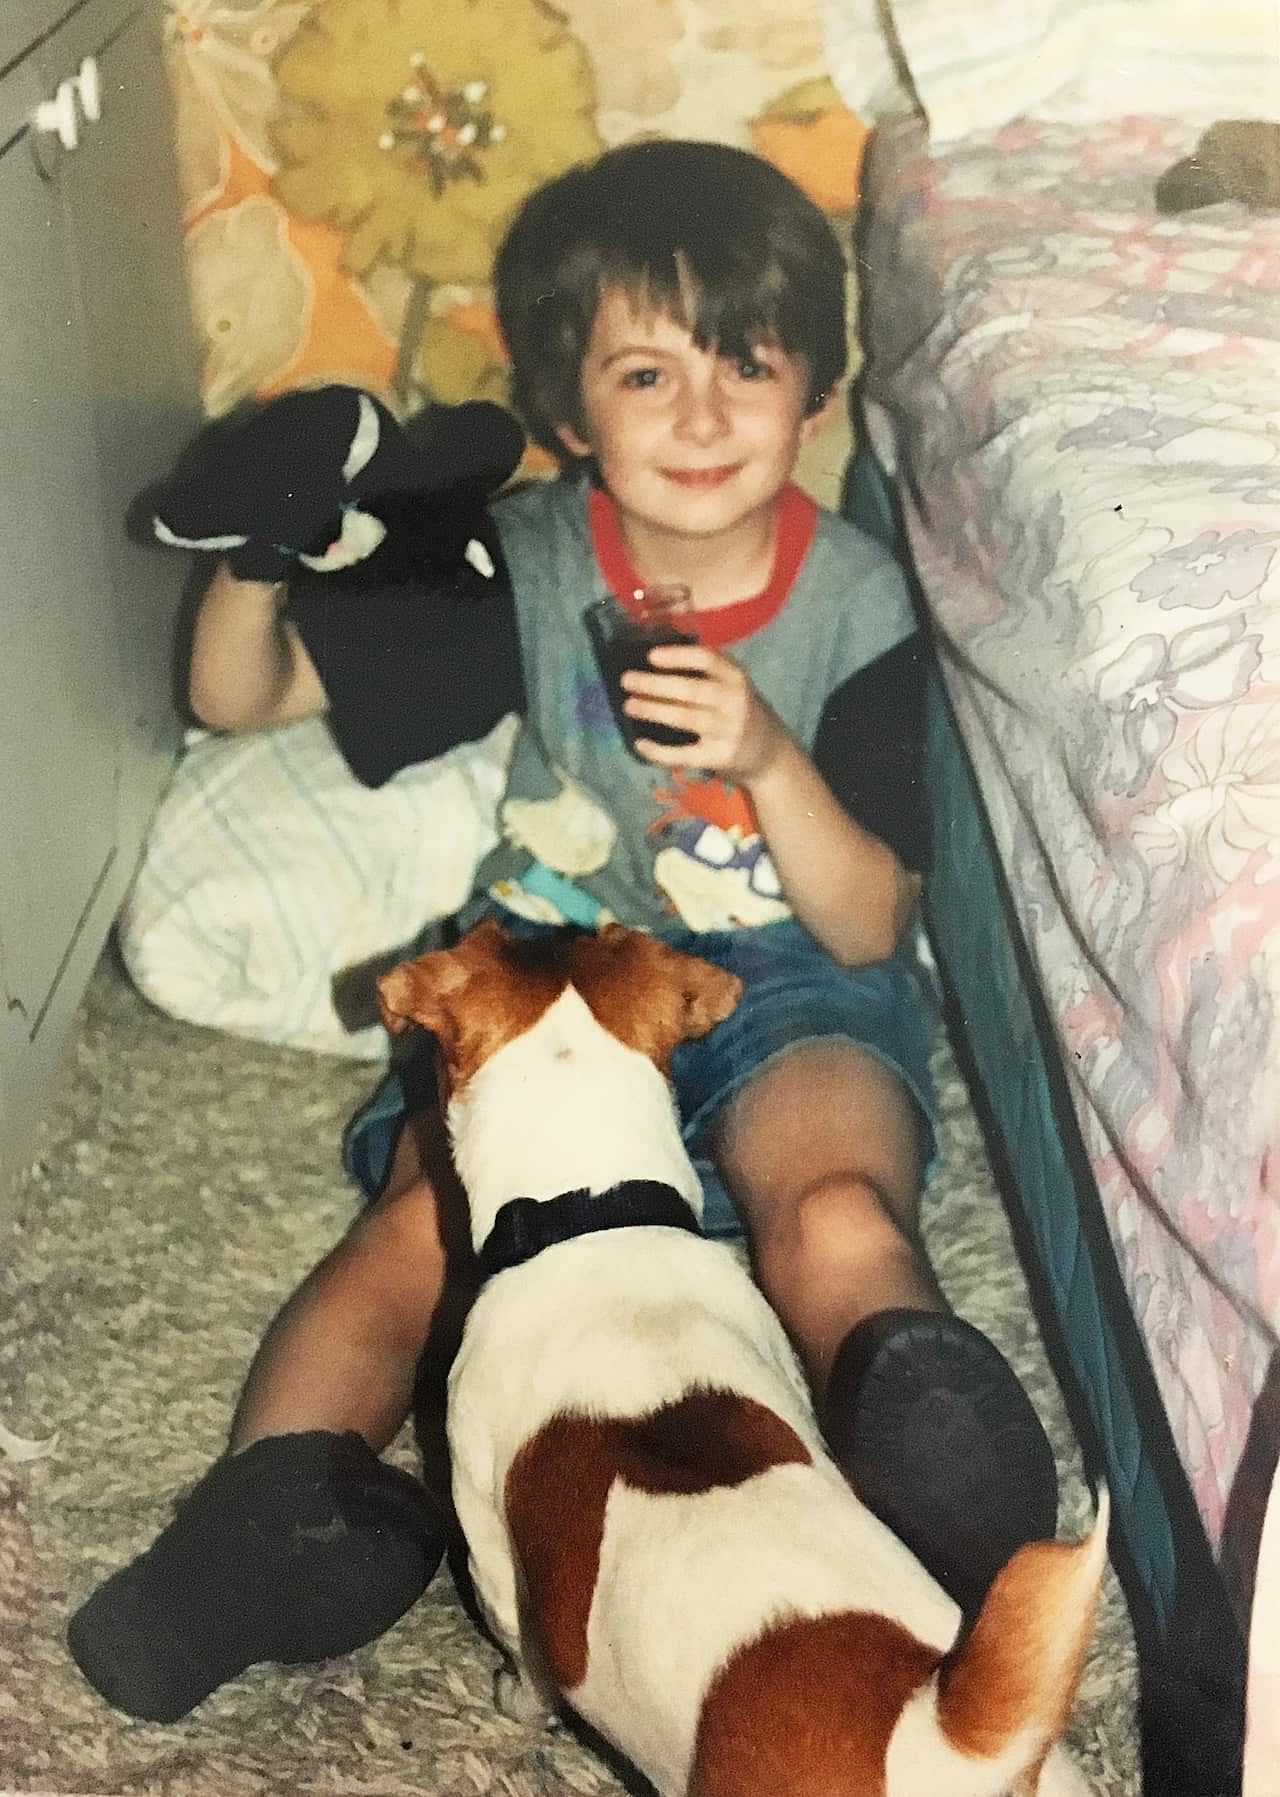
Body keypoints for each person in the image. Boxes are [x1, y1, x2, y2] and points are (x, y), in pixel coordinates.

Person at [68, 140, 1058, 1724]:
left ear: (814, 397)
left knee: (837, 1214)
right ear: (564, 403)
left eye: (750, 366)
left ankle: (951, 1504)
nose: (703, 414)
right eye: (645, 372)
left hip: (781, 964)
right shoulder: (527, 558)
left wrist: (766, 758)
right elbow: (235, 699)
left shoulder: (860, 602)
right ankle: (258, 1524)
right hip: (545, 964)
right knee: (418, 1230)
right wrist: (258, 550)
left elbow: (872, 916)